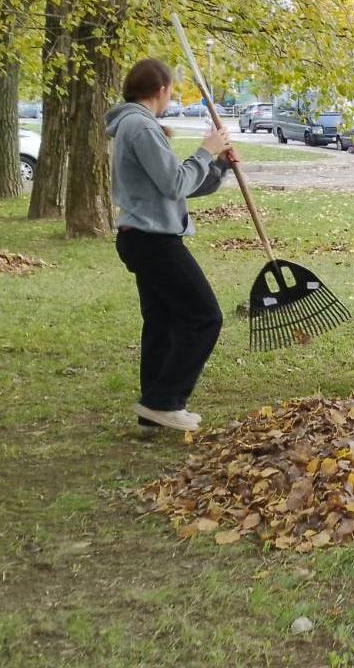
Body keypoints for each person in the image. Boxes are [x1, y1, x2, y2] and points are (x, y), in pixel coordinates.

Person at [106, 58, 234, 433]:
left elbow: (183, 185)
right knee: (204, 317)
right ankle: (164, 402)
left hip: (144, 237)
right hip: (152, 240)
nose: (172, 97)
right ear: (161, 90)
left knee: (161, 324)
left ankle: (152, 412)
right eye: (171, 90)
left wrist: (219, 165)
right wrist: (206, 149)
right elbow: (175, 183)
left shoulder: (136, 125)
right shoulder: (139, 126)